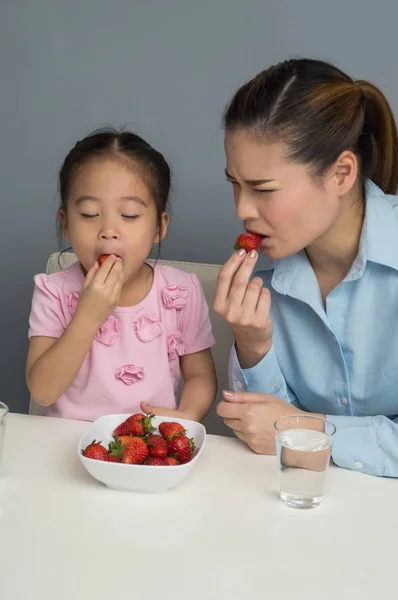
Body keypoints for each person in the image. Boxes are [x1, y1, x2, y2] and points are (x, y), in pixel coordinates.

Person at [214, 58, 398, 477]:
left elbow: (285, 433)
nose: (243, 209)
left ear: (341, 173)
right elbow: (260, 432)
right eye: (235, 185)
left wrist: (315, 432)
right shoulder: (261, 281)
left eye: (263, 189)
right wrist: (253, 343)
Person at [26, 129, 217, 422]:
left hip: (148, 447)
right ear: (65, 223)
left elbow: (200, 376)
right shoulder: (53, 291)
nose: (109, 230)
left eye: (129, 215)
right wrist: (88, 316)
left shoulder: (180, 292)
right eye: (89, 214)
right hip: (67, 445)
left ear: (159, 227)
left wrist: (186, 416)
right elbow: (42, 391)